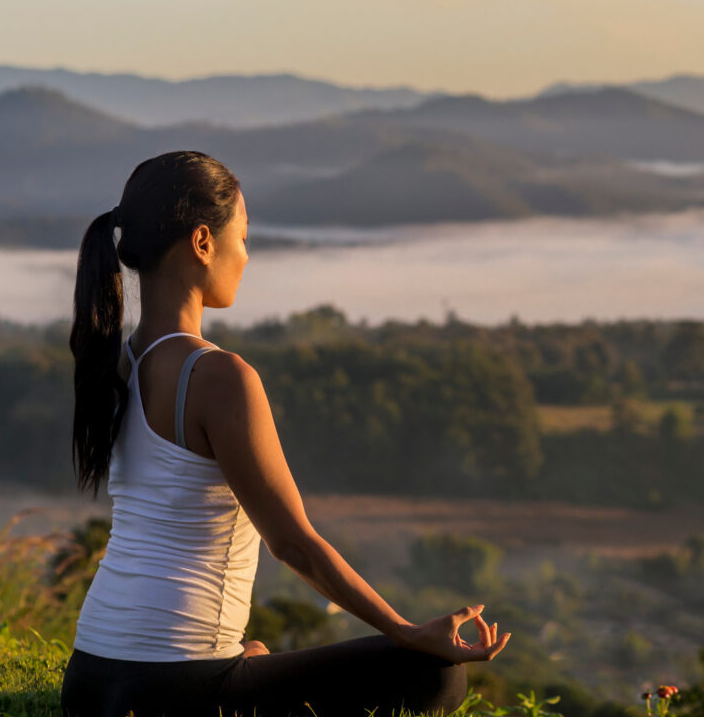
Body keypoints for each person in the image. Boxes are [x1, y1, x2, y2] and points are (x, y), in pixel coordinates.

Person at [59, 150, 510, 717]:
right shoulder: (219, 376)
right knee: (439, 679)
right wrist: (407, 631)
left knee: (254, 655)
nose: (246, 256)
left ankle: (241, 664)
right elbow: (293, 543)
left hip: (91, 682)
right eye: (242, 237)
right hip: (174, 688)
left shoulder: (115, 364)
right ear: (203, 243)